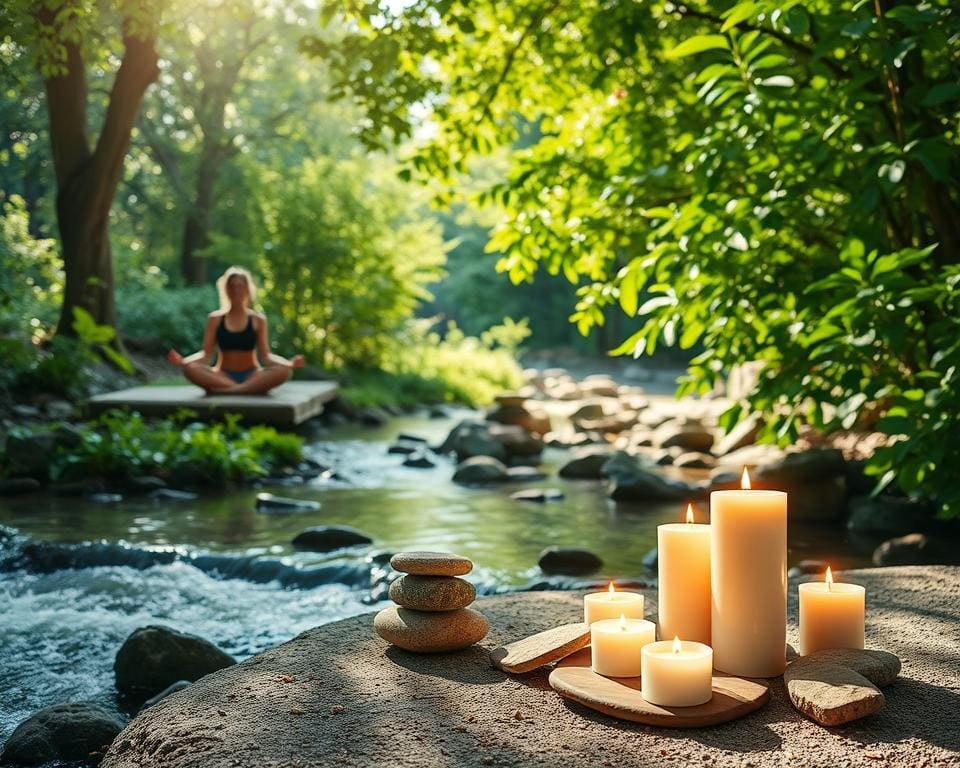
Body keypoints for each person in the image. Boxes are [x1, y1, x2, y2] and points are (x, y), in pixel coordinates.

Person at [167, 266, 304, 395]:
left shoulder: (258, 319)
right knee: (190, 369)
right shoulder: (215, 318)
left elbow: (266, 356)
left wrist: (289, 364)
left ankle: (232, 390)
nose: (236, 290)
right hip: (222, 375)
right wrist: (183, 361)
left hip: (252, 375)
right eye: (231, 286)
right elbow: (206, 355)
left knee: (285, 371)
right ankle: (246, 390)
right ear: (226, 289)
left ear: (247, 290)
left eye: (240, 286)